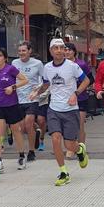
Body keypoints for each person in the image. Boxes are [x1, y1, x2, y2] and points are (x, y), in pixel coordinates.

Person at [28, 39, 90, 186]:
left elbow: (86, 80)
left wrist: (76, 93)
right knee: (55, 138)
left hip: (70, 110)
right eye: (55, 48)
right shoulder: (47, 67)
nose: (59, 50)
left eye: (61, 48)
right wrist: (36, 92)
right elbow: (46, 84)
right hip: (54, 109)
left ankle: (79, 149)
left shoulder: (72, 66)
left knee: (69, 146)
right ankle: (63, 172)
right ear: (51, 51)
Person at [0, 47, 29, 171]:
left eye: (0, 55)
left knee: (16, 130)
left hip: (12, 105)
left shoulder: (10, 69)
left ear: (5, 58)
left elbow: (25, 80)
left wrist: (13, 87)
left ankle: (22, 155)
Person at [12, 41, 44, 163]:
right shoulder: (14, 63)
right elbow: (12, 78)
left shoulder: (37, 63)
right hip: (18, 98)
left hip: (32, 98)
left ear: (29, 51)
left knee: (28, 123)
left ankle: (31, 151)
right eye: (19, 51)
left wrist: (37, 91)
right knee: (21, 128)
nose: (21, 53)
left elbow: (44, 80)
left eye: (24, 51)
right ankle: (35, 133)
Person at [64, 43, 94, 159]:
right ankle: (71, 148)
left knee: (80, 124)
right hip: (66, 99)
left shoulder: (81, 64)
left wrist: (81, 87)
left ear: (74, 52)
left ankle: (81, 148)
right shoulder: (61, 65)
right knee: (69, 125)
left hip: (81, 98)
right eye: (65, 50)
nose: (67, 52)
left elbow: (91, 79)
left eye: (69, 50)